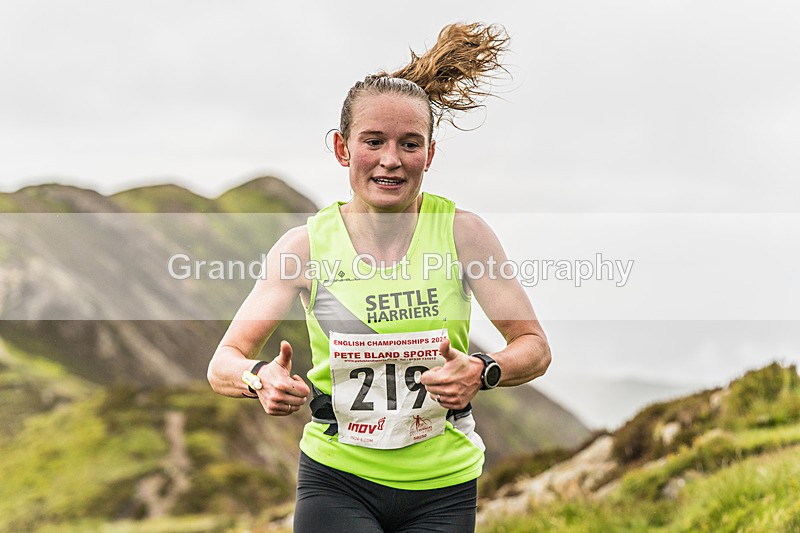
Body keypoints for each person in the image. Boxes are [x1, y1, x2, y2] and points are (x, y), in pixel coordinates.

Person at [207, 22, 551, 532]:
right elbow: (223, 363)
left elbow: (534, 348)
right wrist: (259, 378)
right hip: (337, 480)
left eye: (410, 144)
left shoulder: (464, 235)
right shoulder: (304, 248)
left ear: (429, 154)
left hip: (444, 485)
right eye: (374, 141)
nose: (391, 160)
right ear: (342, 148)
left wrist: (483, 370)